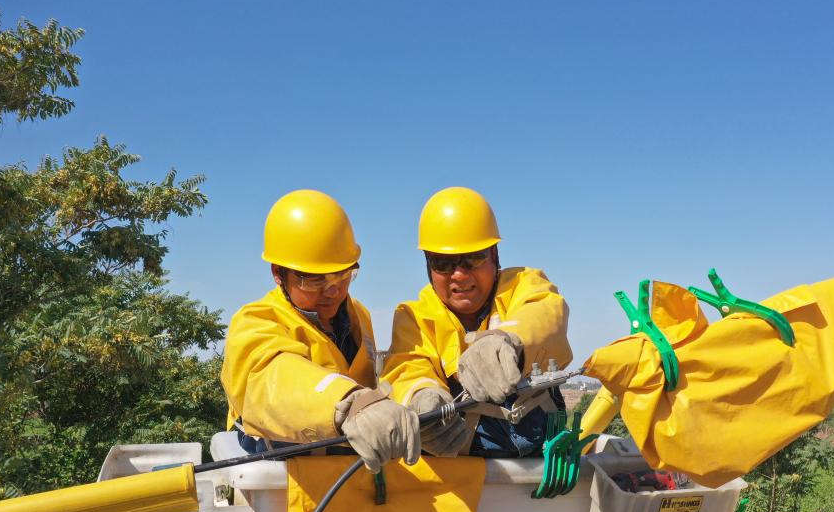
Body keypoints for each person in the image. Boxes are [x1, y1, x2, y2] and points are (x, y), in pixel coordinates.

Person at [220, 189, 419, 473]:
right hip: (282, 461)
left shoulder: (358, 315)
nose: (333, 290)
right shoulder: (256, 320)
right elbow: (272, 379)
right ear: (278, 274)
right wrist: (348, 404)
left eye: (344, 274)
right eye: (315, 280)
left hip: (348, 465)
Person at [382, 186, 572, 458]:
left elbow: (544, 315)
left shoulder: (524, 285)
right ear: (428, 266)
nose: (459, 275)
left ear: (494, 256)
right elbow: (408, 368)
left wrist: (510, 340)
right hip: (467, 466)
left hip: (545, 458)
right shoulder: (415, 317)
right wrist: (421, 396)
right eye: (443, 263)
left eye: (473, 259)